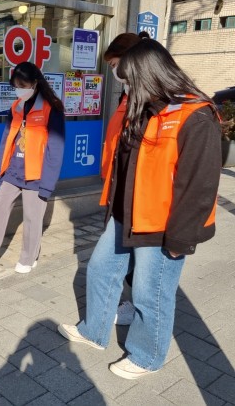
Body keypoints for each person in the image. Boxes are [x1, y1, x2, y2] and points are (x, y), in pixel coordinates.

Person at [58, 38, 222, 380]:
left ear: (151, 75)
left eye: (131, 79)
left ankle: (148, 356)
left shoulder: (195, 116)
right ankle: (94, 331)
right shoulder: (146, 107)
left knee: (151, 294)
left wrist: (179, 240)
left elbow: (199, 187)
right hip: (125, 215)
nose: (127, 87)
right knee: (101, 270)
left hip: (162, 225)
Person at [0, 61, 65, 273]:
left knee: (32, 217)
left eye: (23, 85)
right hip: (13, 170)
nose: (19, 89)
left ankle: (28, 258)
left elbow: (55, 148)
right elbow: (6, 141)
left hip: (36, 174)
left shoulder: (52, 108)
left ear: (35, 83)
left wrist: (47, 184)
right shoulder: (16, 107)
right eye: (16, 85)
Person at [101, 31, 149, 326]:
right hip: (117, 188)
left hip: (136, 196)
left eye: (114, 62)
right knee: (121, 257)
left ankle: (138, 309)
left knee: (135, 261)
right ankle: (126, 304)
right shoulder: (127, 96)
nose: (111, 68)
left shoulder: (146, 100)